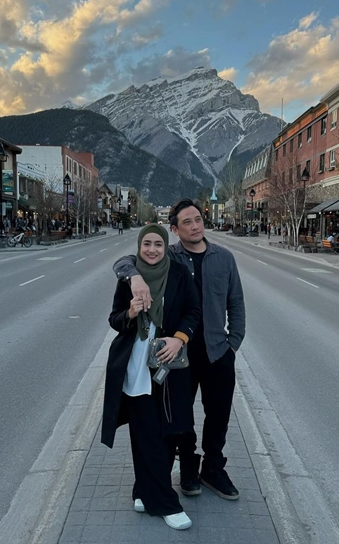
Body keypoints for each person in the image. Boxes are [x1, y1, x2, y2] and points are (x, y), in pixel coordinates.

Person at [114, 199, 246, 502]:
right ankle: (187, 467)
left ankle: (214, 467)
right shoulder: (166, 256)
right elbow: (123, 262)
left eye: (198, 219)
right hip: (177, 353)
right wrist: (134, 277)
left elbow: (235, 302)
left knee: (219, 414)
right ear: (174, 229)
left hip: (216, 351)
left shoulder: (223, 258)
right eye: (187, 222)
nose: (195, 225)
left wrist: (233, 344)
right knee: (180, 417)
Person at [102, 225, 199, 530]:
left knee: (167, 433)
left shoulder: (180, 273)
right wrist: (130, 314)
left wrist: (179, 338)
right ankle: (165, 502)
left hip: (168, 367)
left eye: (158, 244)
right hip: (135, 369)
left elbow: (193, 312)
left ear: (166, 245)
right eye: (147, 244)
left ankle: (142, 489)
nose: (153, 249)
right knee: (145, 436)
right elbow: (115, 320)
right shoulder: (130, 280)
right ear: (140, 246)